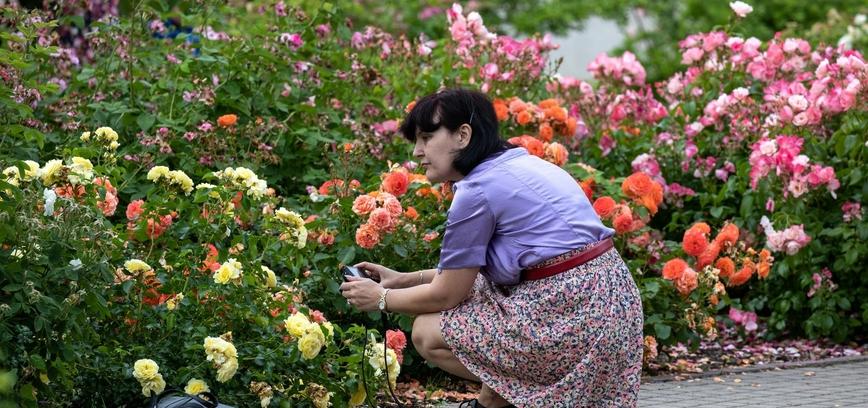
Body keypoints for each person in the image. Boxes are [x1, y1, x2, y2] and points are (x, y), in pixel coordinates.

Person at [340, 88, 643, 408]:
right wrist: (404, 279)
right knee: (485, 306)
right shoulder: (525, 165)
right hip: (612, 302)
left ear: (463, 135)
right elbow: (473, 275)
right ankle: (491, 404)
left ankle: (499, 404)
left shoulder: (477, 190)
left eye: (426, 137)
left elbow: (447, 294)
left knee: (427, 331)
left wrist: (381, 298)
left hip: (574, 311)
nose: (417, 151)